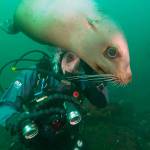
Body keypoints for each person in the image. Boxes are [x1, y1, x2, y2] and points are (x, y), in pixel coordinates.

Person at [0, 49, 109, 150]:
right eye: (70, 58)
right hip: (34, 140)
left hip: (69, 139)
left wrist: (97, 79)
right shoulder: (35, 74)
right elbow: (5, 106)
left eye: (80, 63)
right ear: (59, 54)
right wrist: (15, 119)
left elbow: (101, 102)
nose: (73, 68)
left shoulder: (79, 79)